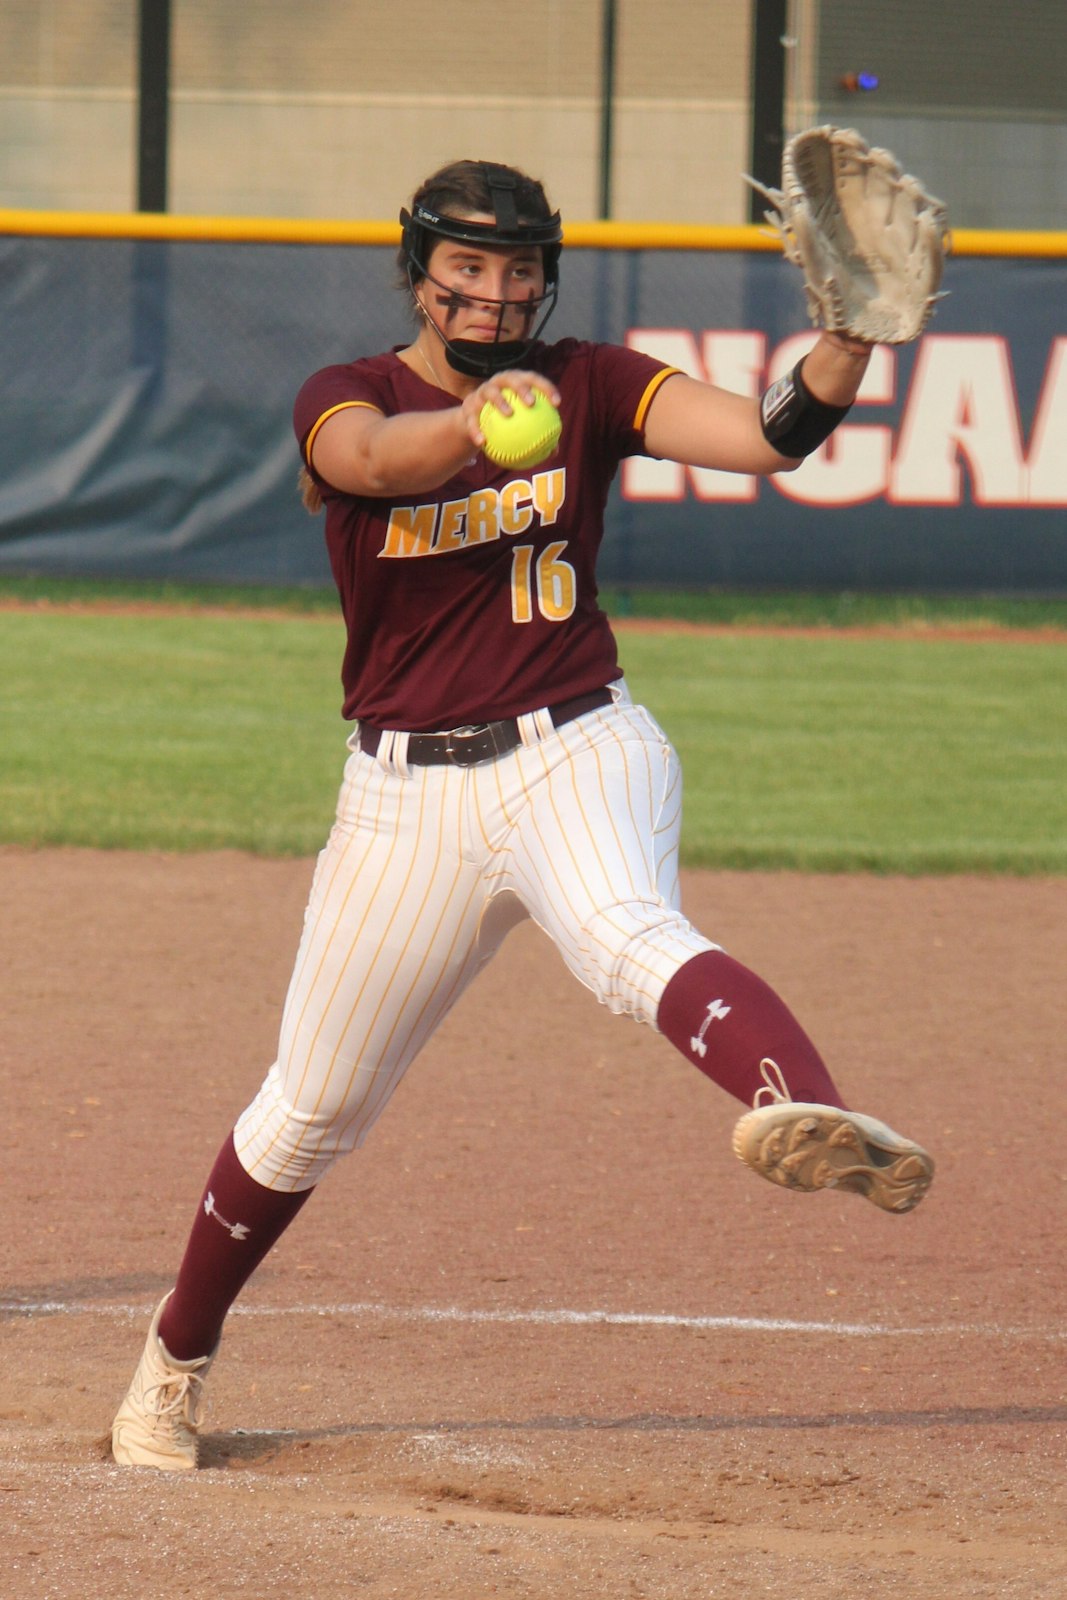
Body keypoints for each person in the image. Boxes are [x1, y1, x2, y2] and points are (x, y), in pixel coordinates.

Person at [111, 158, 934, 1471]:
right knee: (308, 1108)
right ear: (418, 271)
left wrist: (847, 343)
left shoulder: (596, 380)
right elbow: (372, 461)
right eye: (467, 267)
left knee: (624, 928)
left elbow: (767, 436)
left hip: (578, 742)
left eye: (517, 269)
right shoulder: (349, 394)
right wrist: (484, 423)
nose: (493, 292)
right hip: (402, 799)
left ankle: (810, 1112)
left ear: (547, 276)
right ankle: (171, 1366)